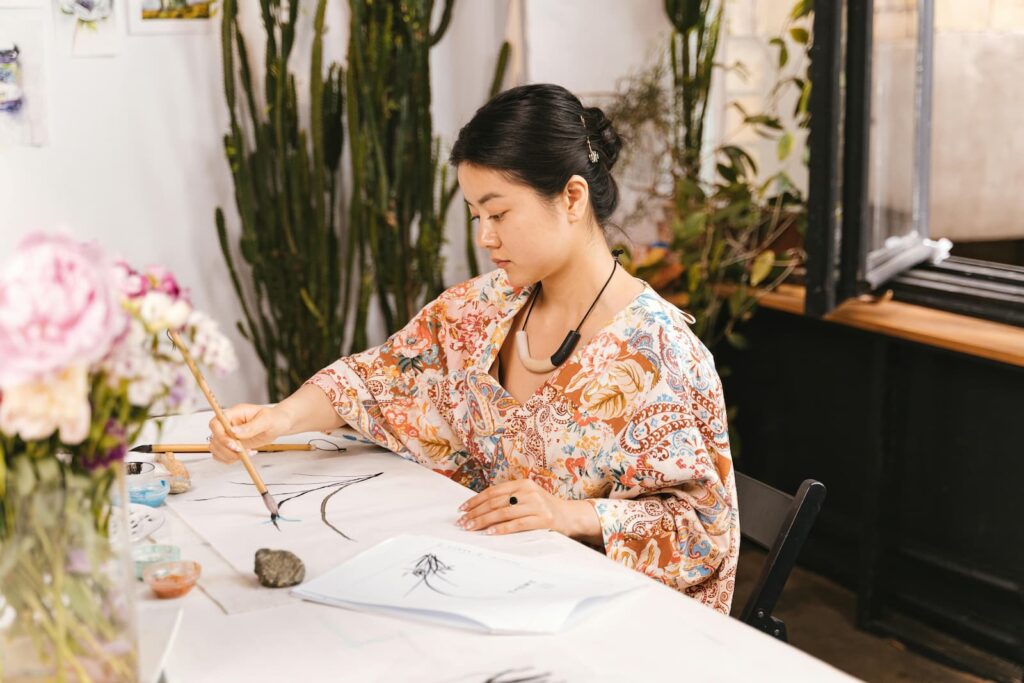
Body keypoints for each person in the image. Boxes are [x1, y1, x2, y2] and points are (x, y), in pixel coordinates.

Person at [209, 83, 738, 614]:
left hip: (589, 625)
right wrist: (278, 419)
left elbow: (703, 531)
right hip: (469, 589)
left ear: (572, 198)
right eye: (474, 216)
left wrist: (568, 514)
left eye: (499, 213)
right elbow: (377, 379)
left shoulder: (660, 354)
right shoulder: (480, 309)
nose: (484, 238)